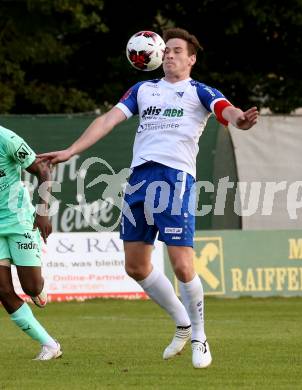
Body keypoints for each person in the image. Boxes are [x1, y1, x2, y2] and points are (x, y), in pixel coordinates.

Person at [38, 27, 258, 368]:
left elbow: (226, 110)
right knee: (135, 266)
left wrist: (239, 119)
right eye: (166, 50)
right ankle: (182, 322)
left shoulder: (199, 91)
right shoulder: (144, 90)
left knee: (182, 264)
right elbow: (108, 120)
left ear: (191, 58)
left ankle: (200, 334)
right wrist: (72, 150)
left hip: (175, 180)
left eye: (177, 51)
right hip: (139, 179)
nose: (169, 55)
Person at [0, 125, 62, 360]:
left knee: (31, 288)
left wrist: (43, 212)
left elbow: (43, 169)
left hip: (19, 220)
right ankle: (49, 345)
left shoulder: (6, 139)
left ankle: (38, 287)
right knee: (3, 290)